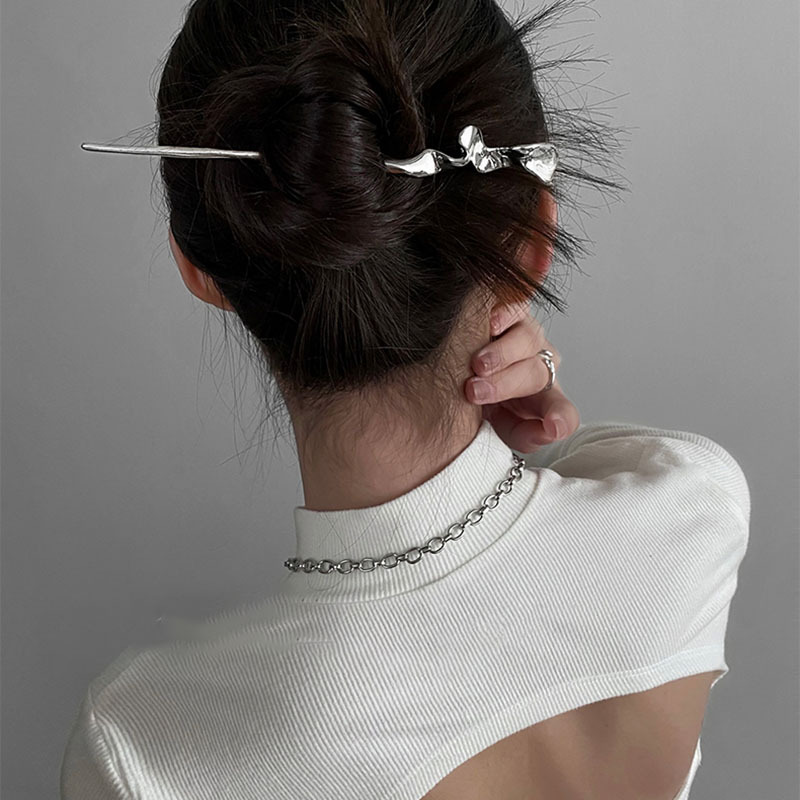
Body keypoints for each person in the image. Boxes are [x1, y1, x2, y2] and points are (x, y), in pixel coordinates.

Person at [61, 1, 751, 798]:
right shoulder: (692, 515)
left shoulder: (153, 749)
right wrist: (526, 370)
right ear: (534, 241)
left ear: (198, 265)